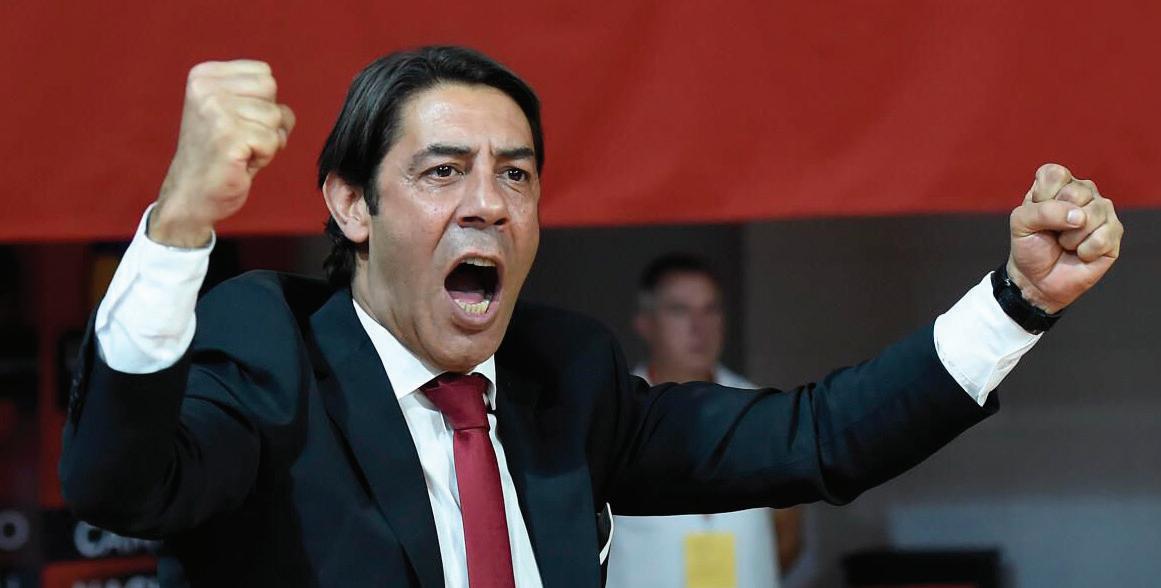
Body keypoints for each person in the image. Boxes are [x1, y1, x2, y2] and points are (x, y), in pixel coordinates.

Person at [57, 46, 1124, 587]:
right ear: (351, 205)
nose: (488, 202)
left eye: (515, 174)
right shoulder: (271, 347)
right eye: (442, 170)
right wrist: (182, 222)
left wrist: (1019, 301)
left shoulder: (566, 378)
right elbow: (119, 483)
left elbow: (817, 436)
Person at [606, 253, 803, 587]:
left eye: (710, 310)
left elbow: (788, 534)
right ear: (645, 323)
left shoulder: (761, 408)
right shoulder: (614, 414)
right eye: (679, 310)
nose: (699, 327)